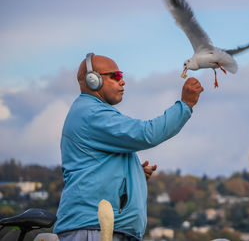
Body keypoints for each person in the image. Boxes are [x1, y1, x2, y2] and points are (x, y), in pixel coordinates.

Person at [54, 53, 203, 240]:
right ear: (93, 80)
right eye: (115, 76)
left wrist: (134, 175)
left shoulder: (89, 112)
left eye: (122, 76)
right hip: (92, 229)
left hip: (101, 229)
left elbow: (98, 167)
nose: (122, 82)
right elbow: (146, 134)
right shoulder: (92, 114)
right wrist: (185, 105)